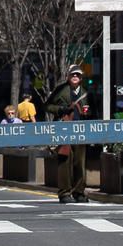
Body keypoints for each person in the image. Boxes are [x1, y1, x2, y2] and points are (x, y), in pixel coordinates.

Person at [45, 63, 91, 203]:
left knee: (80, 162)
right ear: (68, 76)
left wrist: (87, 114)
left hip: (80, 130)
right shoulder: (60, 90)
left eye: (78, 74)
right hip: (63, 129)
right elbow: (47, 106)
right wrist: (60, 110)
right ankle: (64, 193)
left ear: (81, 78)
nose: (75, 76)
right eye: (73, 74)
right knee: (64, 160)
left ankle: (79, 192)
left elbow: (94, 110)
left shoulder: (86, 92)